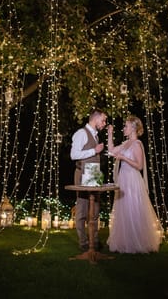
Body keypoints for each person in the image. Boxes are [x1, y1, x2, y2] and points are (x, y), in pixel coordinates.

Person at [107, 114, 163, 253]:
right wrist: (109, 133)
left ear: (133, 128)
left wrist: (124, 158)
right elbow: (112, 150)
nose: (124, 128)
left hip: (132, 179)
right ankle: (125, 241)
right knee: (123, 209)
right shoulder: (126, 143)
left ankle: (138, 241)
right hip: (123, 178)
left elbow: (139, 166)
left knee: (133, 208)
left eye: (126, 126)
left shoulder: (137, 144)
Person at [70, 108, 107, 252]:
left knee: (96, 208)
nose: (104, 123)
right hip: (82, 173)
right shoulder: (81, 133)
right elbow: (74, 155)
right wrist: (95, 151)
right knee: (82, 208)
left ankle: (94, 240)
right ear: (95, 118)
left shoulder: (96, 135)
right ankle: (83, 242)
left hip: (94, 174)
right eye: (103, 120)